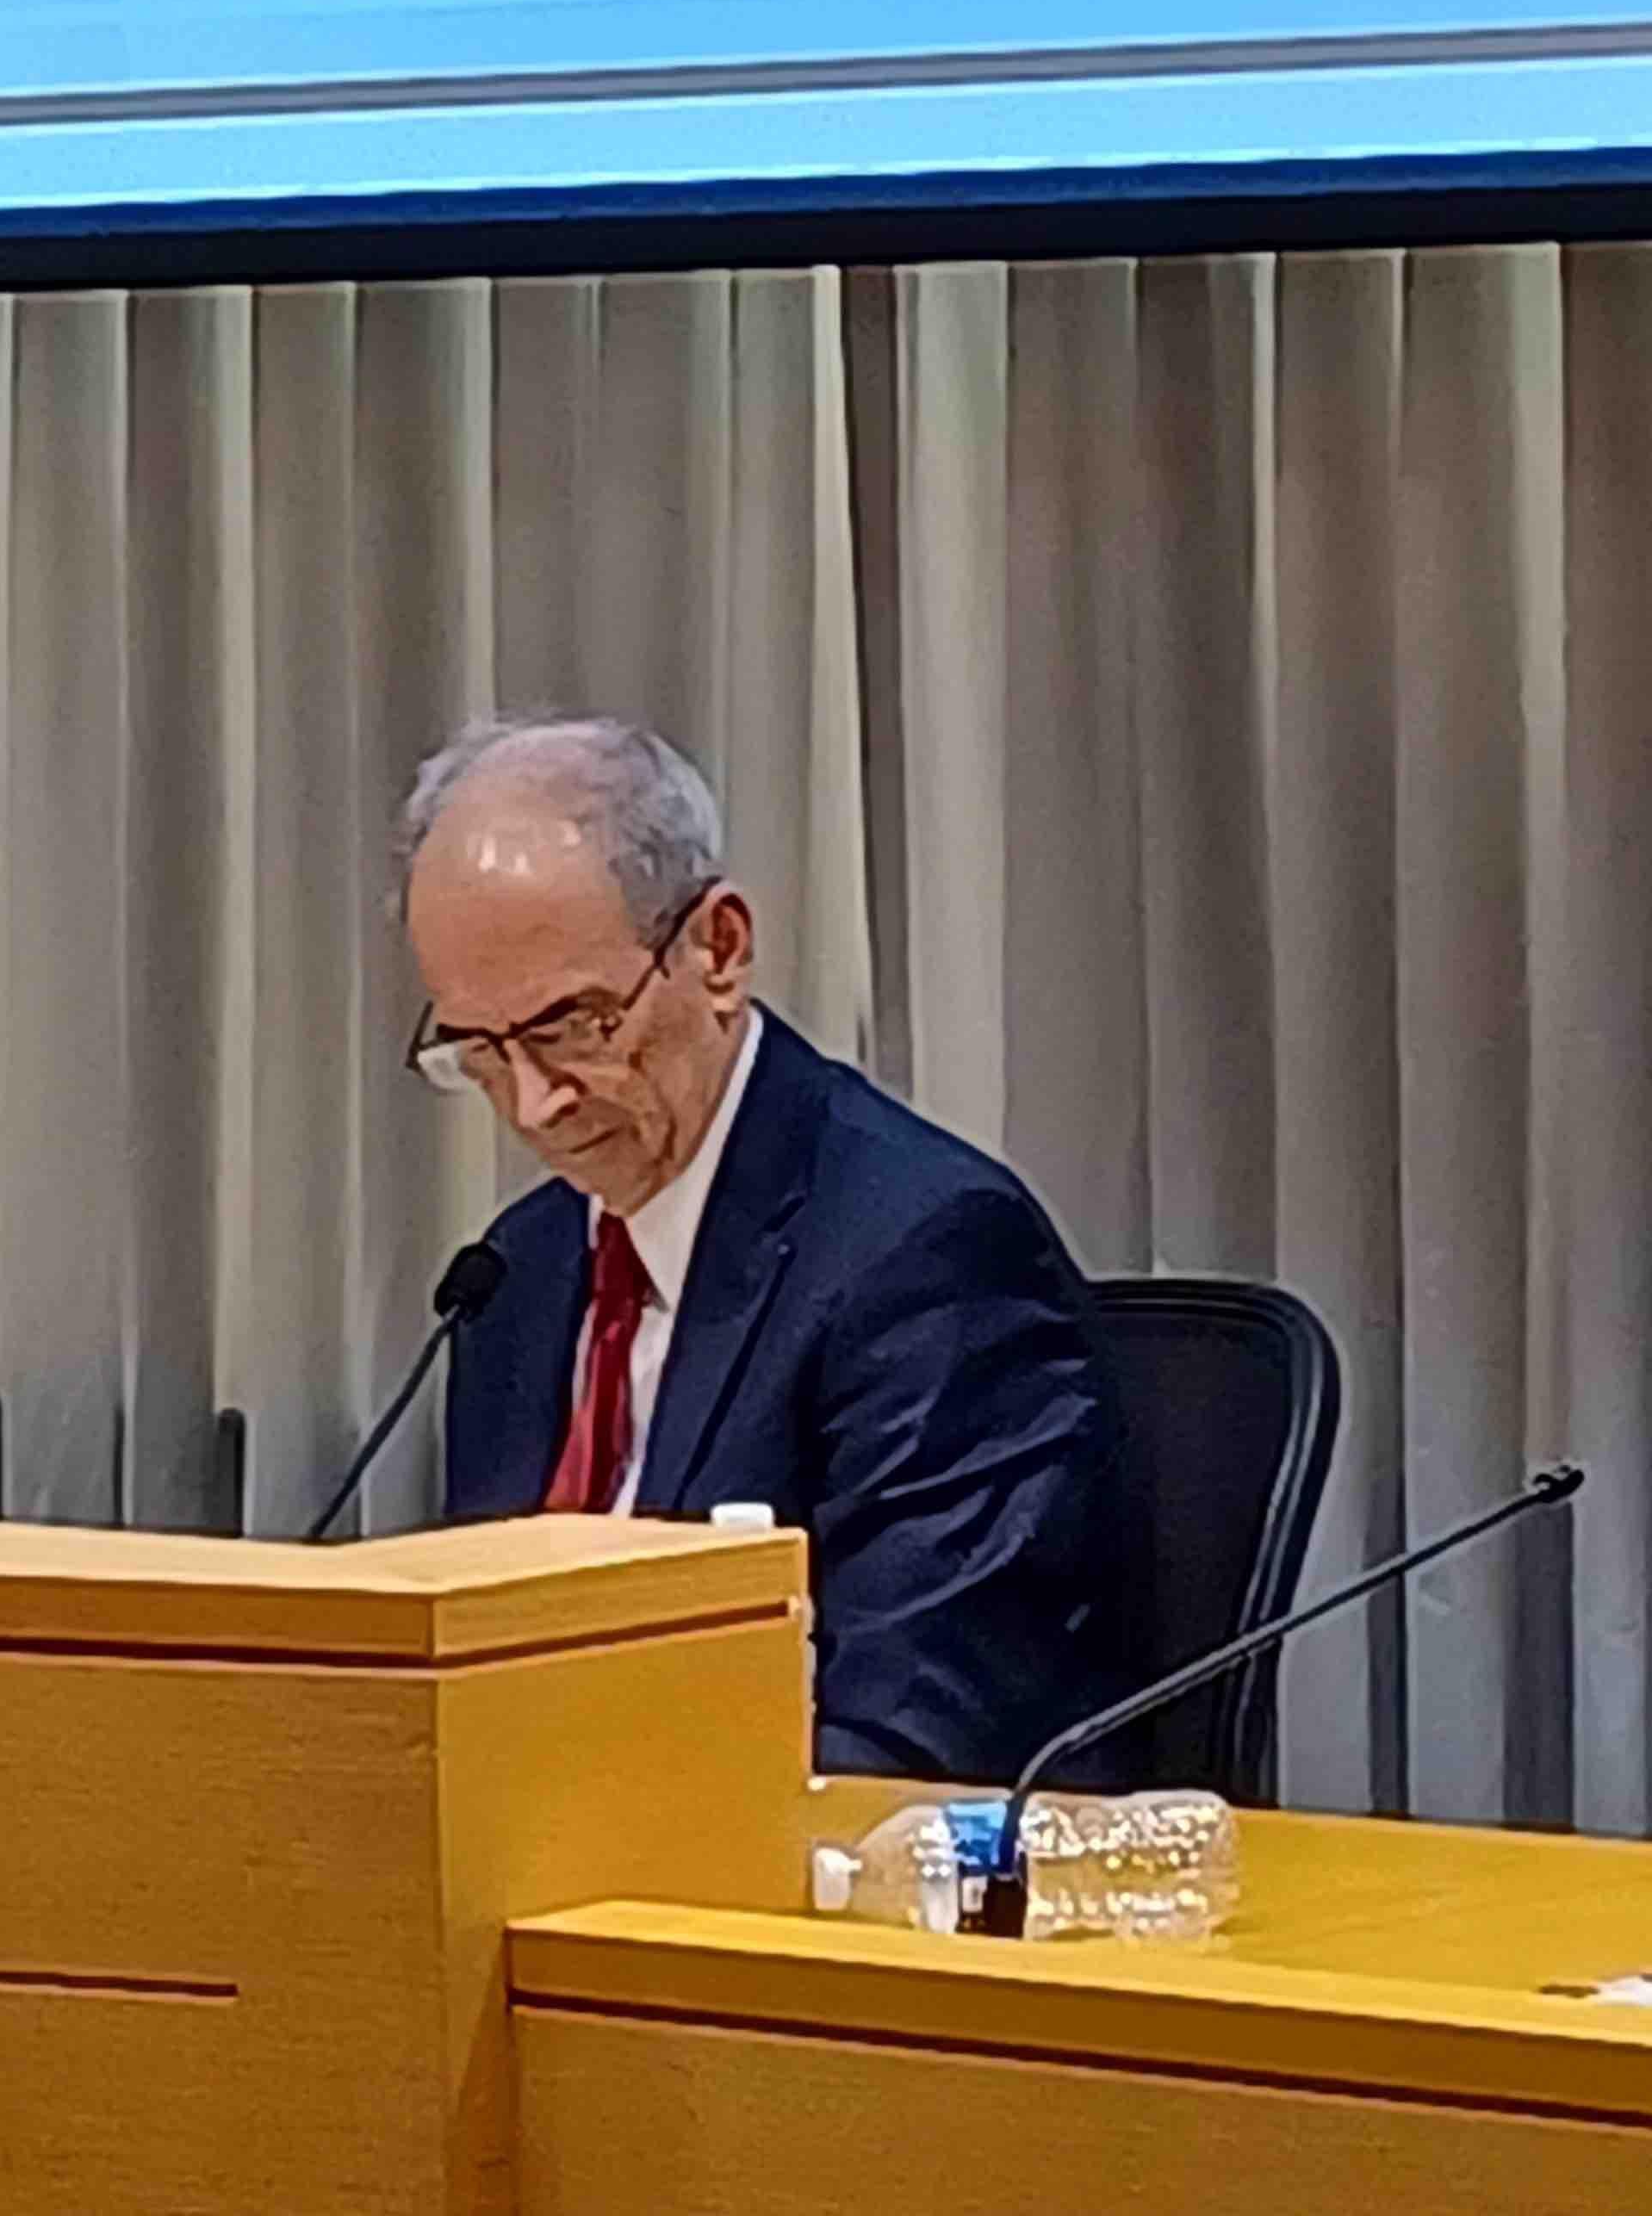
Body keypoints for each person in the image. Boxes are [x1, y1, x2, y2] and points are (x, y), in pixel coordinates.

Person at [400, 713, 1121, 1781]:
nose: (537, 1104)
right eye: (481, 1049)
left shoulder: (922, 1252)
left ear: (718, 950)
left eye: (572, 1026)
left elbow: (916, 1737)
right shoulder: (519, 1273)